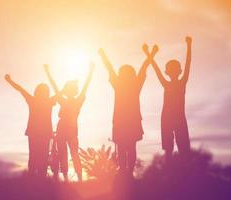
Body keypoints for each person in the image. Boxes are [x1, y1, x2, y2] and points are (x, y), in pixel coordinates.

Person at [98, 45, 157, 175]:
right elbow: (110, 69)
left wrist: (151, 54)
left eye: (126, 73)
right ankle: (124, 172)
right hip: (120, 121)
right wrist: (103, 56)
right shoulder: (120, 85)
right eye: (123, 73)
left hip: (131, 121)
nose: (123, 75)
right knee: (122, 147)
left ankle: (128, 172)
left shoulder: (134, 85)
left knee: (129, 147)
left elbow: (143, 68)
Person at [43, 63, 94, 181]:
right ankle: (70, 178)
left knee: (71, 154)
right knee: (65, 154)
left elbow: (85, 85)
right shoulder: (71, 101)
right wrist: (48, 72)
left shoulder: (75, 101)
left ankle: (77, 177)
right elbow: (55, 86)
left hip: (70, 131)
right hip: (64, 131)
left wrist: (90, 71)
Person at [146, 36, 192, 161]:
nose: (173, 71)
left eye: (174, 69)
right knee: (168, 148)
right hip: (167, 117)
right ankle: (169, 171)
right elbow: (156, 70)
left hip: (178, 117)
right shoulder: (169, 84)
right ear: (168, 72)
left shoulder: (181, 82)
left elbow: (188, 63)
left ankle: (182, 170)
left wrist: (189, 46)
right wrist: (149, 54)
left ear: (178, 71)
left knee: (182, 147)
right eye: (171, 69)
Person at [4, 74, 58, 178]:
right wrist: (10, 81)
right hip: (43, 133)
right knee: (41, 156)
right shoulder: (48, 101)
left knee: (34, 155)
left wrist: (9, 81)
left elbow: (20, 89)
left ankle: (33, 178)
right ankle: (38, 178)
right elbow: (60, 93)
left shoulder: (33, 100)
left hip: (35, 133)